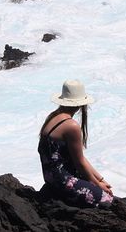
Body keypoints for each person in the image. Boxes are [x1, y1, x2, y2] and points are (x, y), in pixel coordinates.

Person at [38, 79, 114, 207]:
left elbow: (80, 159)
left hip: (51, 180)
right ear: (80, 104)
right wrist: (97, 184)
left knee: (102, 192)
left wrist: (100, 179)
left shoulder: (52, 117)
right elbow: (79, 163)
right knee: (107, 200)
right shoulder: (71, 126)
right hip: (62, 182)